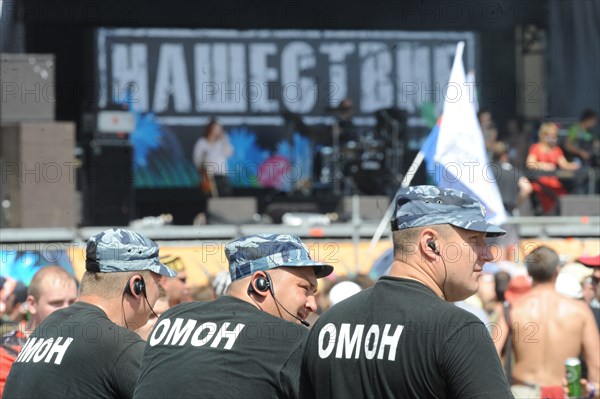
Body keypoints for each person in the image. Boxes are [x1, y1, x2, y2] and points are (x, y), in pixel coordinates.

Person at [301, 185, 512, 398]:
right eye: (475, 240)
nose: (487, 255)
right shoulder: (458, 330)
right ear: (431, 244)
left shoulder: (328, 323)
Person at [134, 233, 334, 399]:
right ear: (261, 284)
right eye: (305, 288)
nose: (312, 304)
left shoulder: (172, 318)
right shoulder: (291, 338)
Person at [3, 228, 176, 399]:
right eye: (157, 281)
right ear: (136, 286)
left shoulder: (48, 327)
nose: (159, 289)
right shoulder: (118, 344)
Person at [500, 246, 599, 399]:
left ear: (528, 272)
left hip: (522, 392)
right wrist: (592, 390)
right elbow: (596, 367)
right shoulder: (580, 311)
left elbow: (492, 358)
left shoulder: (513, 309)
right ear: (557, 271)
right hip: (566, 392)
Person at [0, 266, 78, 396]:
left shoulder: (84, 343)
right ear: (32, 304)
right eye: (56, 303)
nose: (67, 310)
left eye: (72, 302)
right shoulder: (7, 350)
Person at [526, 122, 581, 214]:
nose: (554, 138)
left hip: (554, 183)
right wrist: (543, 165)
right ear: (544, 135)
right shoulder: (536, 148)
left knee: (563, 197)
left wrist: (574, 165)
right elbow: (529, 163)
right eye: (551, 136)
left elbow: (564, 164)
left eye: (555, 136)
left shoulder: (557, 150)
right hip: (540, 183)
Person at [192, 119, 233, 197]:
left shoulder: (221, 142)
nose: (218, 131)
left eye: (219, 128)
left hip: (222, 176)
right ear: (210, 128)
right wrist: (203, 171)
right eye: (216, 128)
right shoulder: (202, 142)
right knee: (209, 198)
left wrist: (224, 140)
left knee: (224, 197)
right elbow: (197, 160)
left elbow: (229, 153)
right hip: (208, 177)